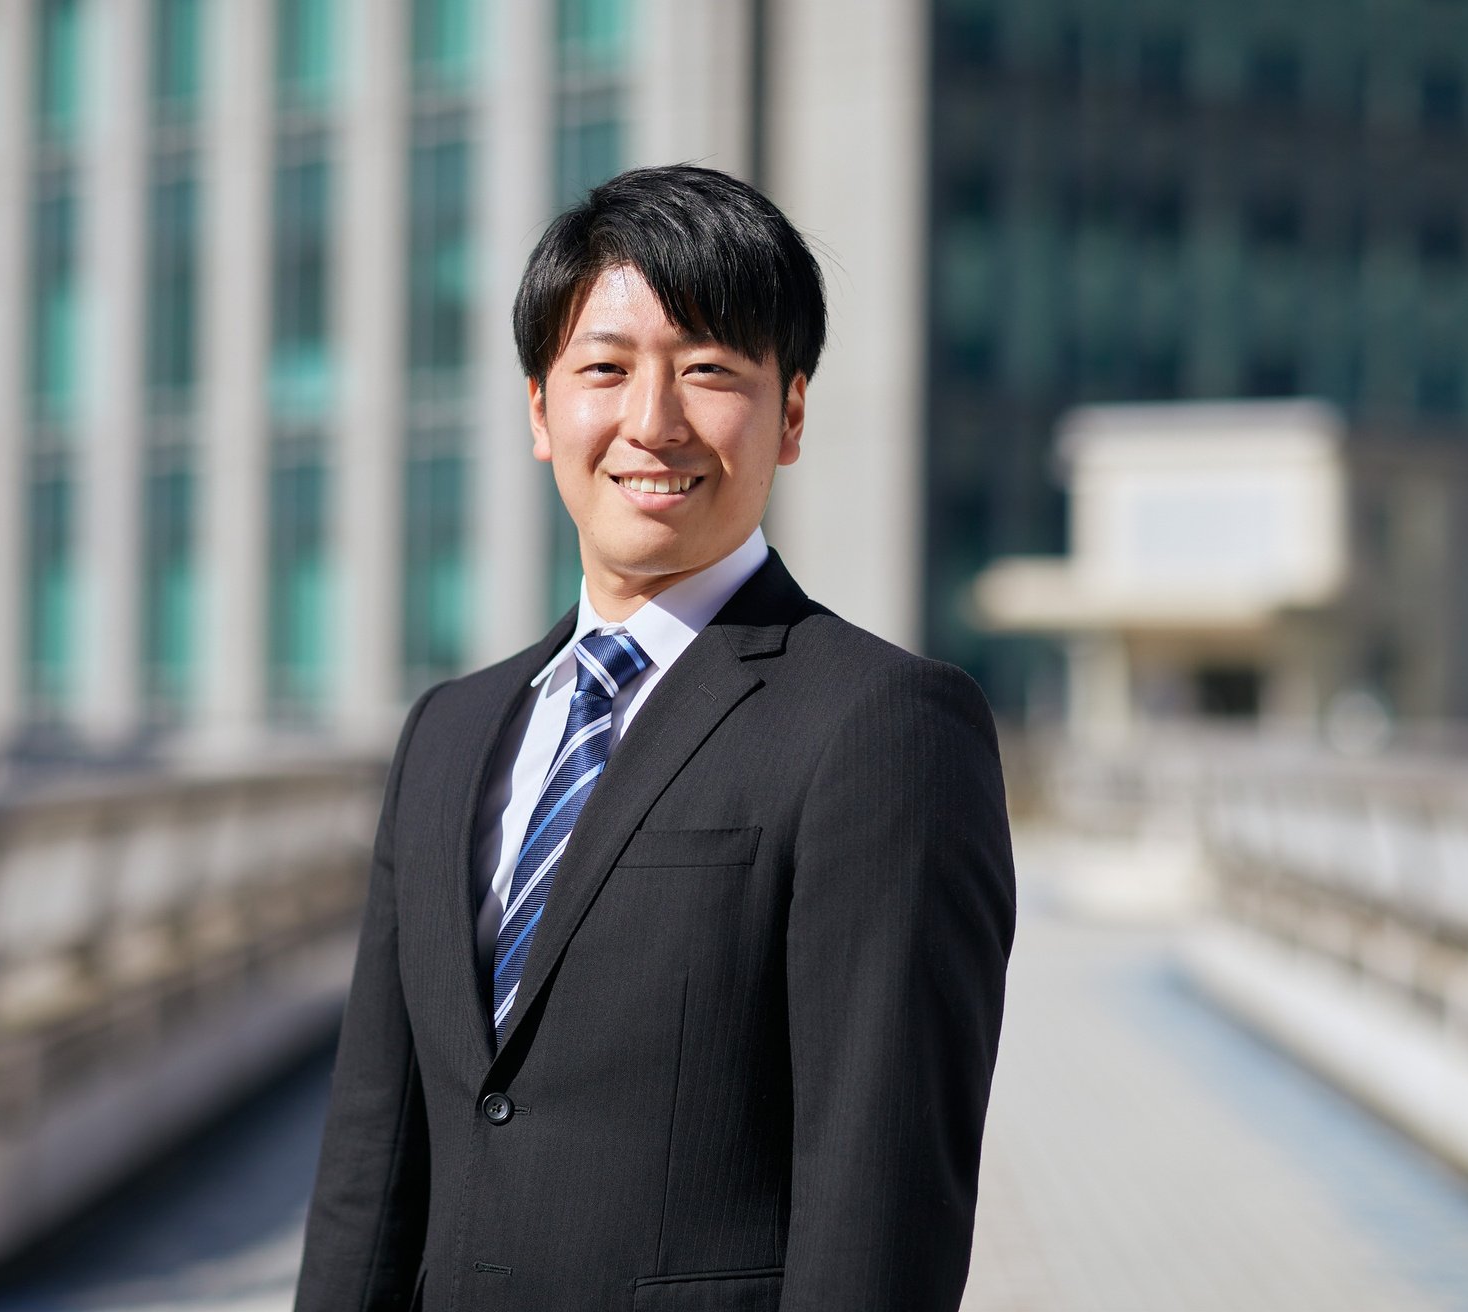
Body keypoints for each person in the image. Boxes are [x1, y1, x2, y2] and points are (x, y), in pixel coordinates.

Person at [294, 165, 1016, 1312]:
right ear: (540, 410)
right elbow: (370, 1165)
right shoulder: (449, 731)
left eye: (710, 370)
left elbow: (881, 1208)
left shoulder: (884, 729)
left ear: (789, 414)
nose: (653, 422)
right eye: (606, 368)